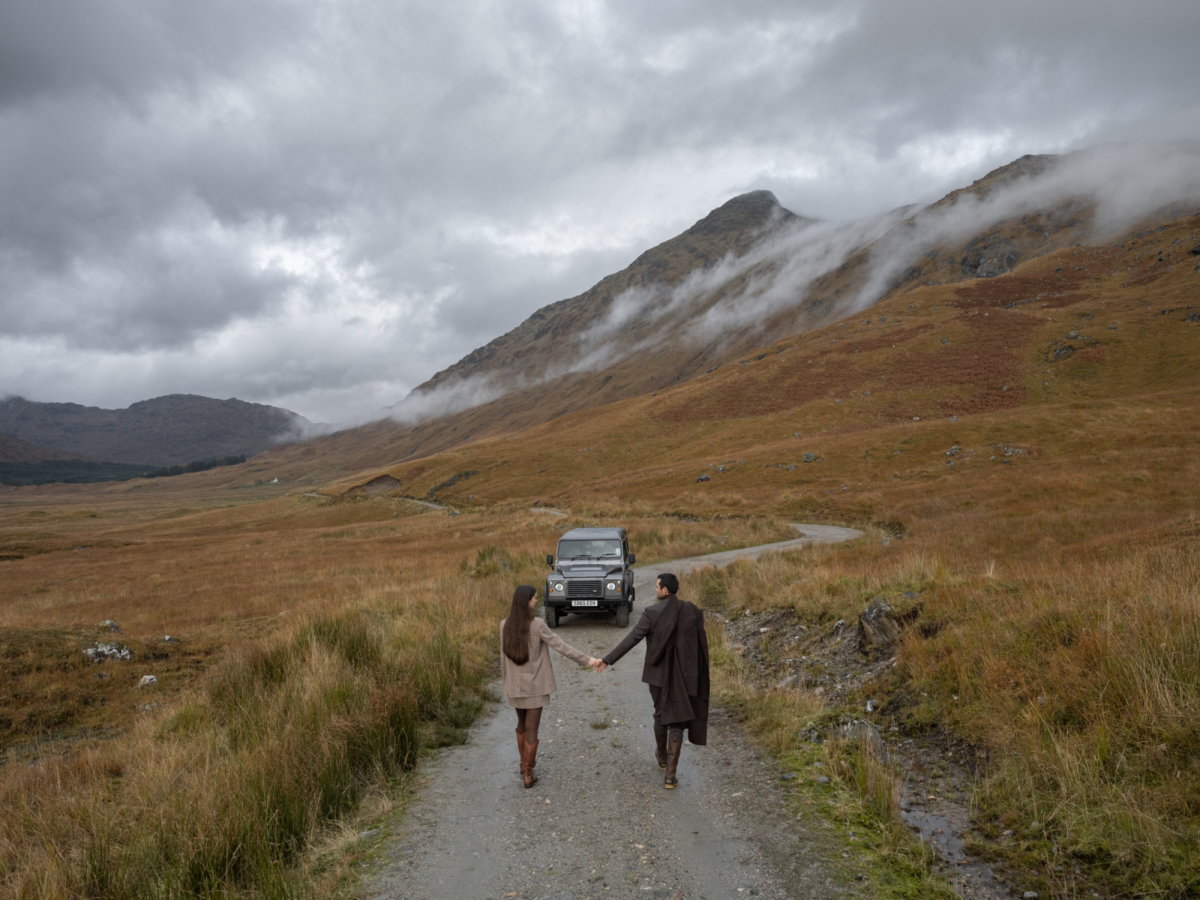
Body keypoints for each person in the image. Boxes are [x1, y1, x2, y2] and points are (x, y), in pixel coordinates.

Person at [598, 573, 709, 788]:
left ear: (665, 590)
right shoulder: (693, 611)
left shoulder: (651, 612)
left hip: (658, 676)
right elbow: (699, 646)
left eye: (657, 586)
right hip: (685, 675)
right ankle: (670, 775)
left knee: (660, 714)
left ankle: (661, 757)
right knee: (678, 719)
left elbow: (633, 639)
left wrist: (607, 659)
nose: (655, 589)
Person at [500, 584, 604, 788]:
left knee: (521, 724)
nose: (536, 601)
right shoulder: (537, 624)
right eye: (534, 598)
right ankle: (528, 774)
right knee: (532, 728)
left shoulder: (504, 624)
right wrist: (589, 660)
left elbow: (503, 657)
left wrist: (506, 682)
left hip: (514, 684)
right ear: (526, 601)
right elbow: (561, 647)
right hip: (535, 684)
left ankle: (524, 765)